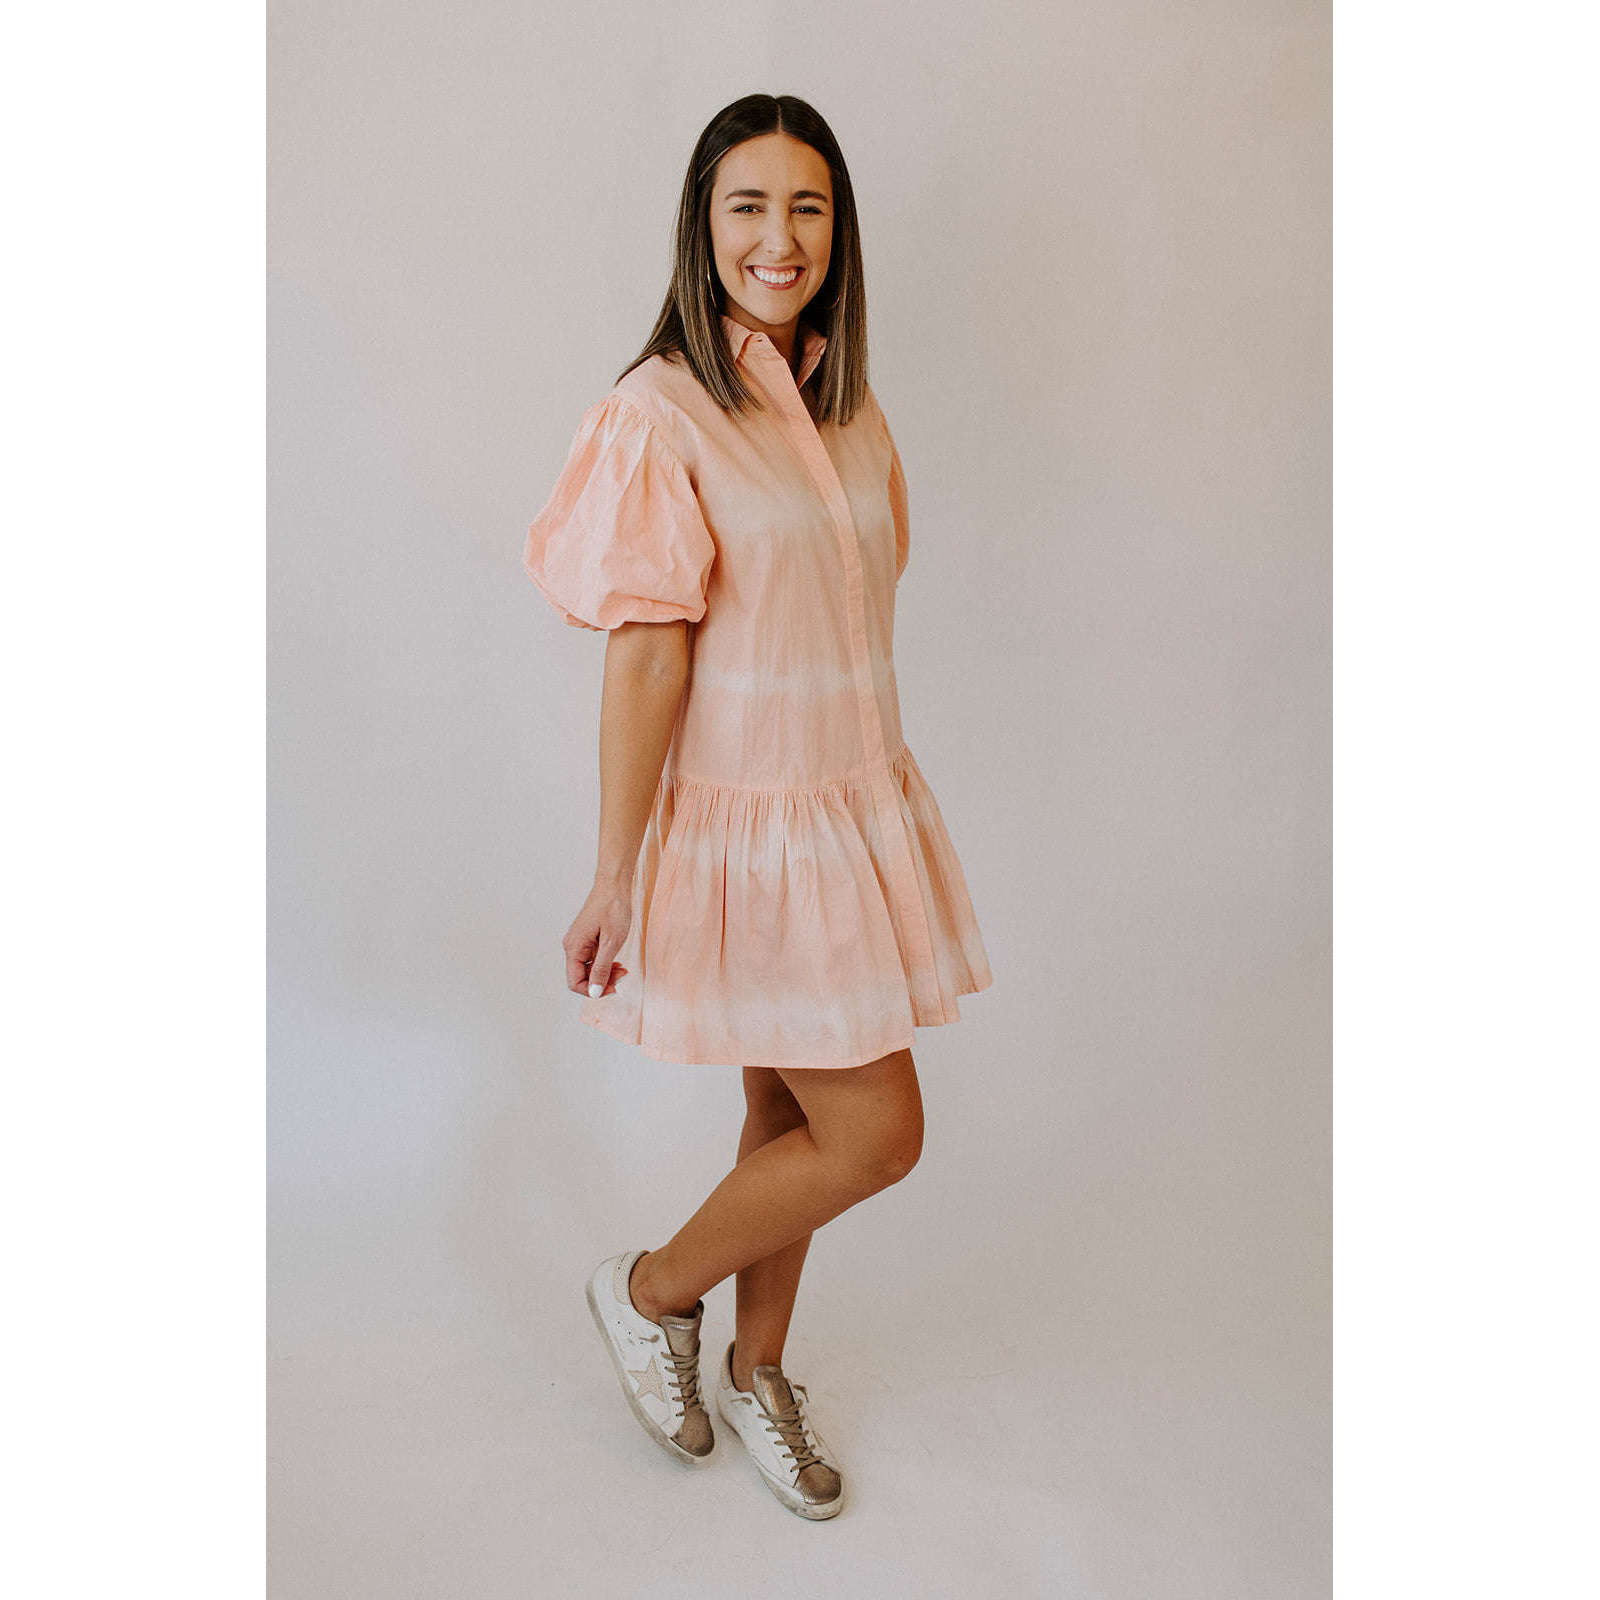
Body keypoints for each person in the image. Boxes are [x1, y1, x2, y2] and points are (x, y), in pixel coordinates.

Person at [523, 93, 993, 1521]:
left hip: (846, 812)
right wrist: (616, 872)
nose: (779, 238)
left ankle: (758, 1365)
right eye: (748, 205)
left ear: (838, 229)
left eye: (807, 206)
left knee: (786, 1110)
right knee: (877, 1133)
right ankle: (649, 1291)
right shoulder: (659, 414)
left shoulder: (842, 401)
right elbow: (646, 654)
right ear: (702, 224)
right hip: (756, 831)